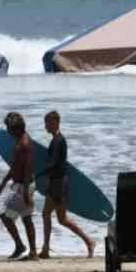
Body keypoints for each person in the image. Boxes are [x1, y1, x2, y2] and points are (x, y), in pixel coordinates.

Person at [36, 111, 94, 258]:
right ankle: (45, 249)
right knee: (47, 214)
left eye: (47, 122)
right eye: (45, 123)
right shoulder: (55, 140)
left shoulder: (59, 141)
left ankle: (89, 241)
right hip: (55, 182)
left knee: (61, 219)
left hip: (58, 183)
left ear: (55, 122)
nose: (45, 126)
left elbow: (54, 163)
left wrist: (37, 176)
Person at [0, 112, 38, 260]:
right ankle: (32, 252)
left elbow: (28, 167)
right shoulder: (19, 141)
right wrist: (4, 182)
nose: (7, 130)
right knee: (26, 218)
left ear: (16, 128)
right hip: (23, 184)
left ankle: (20, 246)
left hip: (23, 185)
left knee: (4, 214)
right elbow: (15, 166)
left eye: (9, 127)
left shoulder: (25, 144)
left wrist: (26, 191)